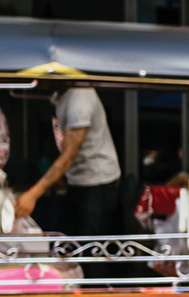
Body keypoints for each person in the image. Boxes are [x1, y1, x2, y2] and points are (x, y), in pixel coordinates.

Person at [15, 85, 121, 237]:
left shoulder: (80, 100)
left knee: (89, 248)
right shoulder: (61, 93)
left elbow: (68, 156)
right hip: (76, 180)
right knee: (64, 241)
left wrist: (33, 194)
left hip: (98, 182)